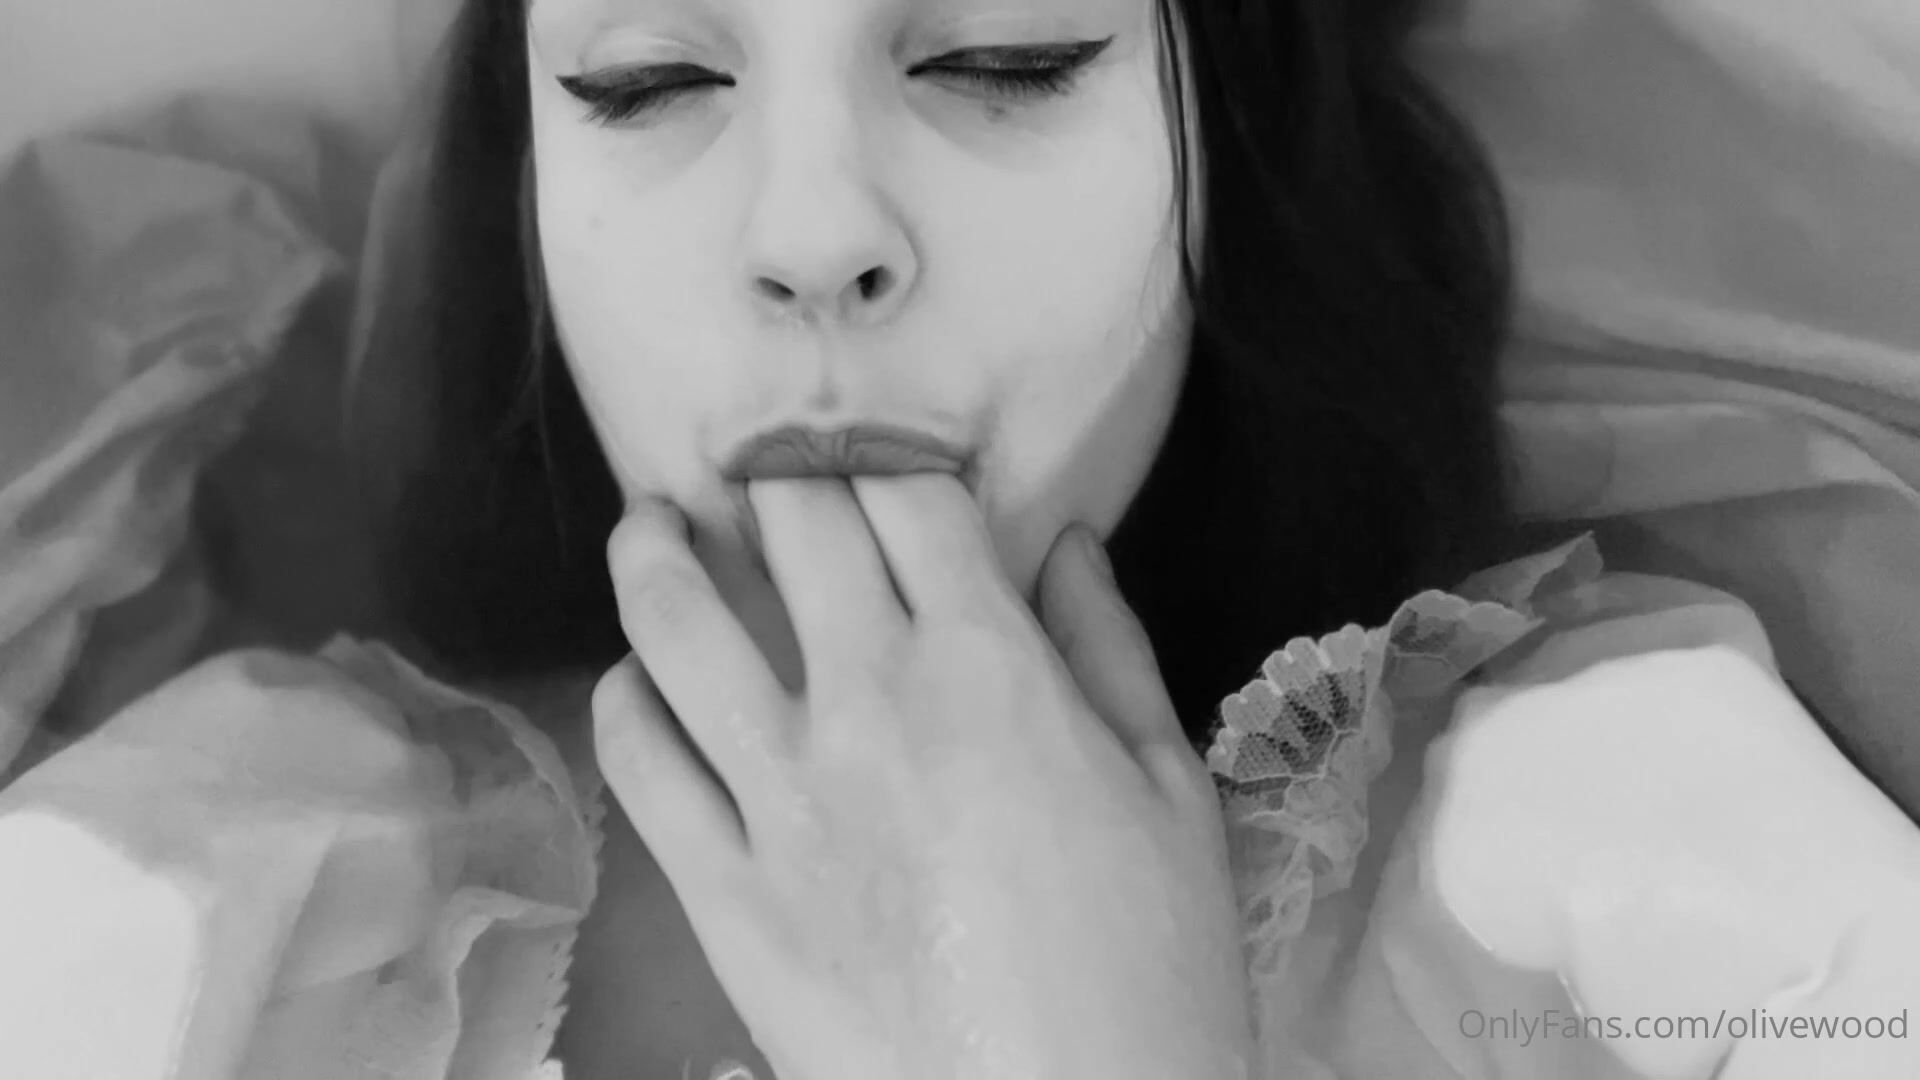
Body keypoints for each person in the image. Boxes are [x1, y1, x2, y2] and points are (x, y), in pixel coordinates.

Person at [4, 0, 1918, 1078]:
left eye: (1001, 56)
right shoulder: (206, 887)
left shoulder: (1619, 839)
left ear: (1227, 139)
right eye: (647, 80)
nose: (813, 229)